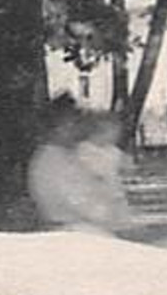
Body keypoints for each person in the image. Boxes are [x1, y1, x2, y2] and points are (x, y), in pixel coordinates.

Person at [28, 98, 133, 235]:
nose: (81, 129)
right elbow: (79, 202)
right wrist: (112, 215)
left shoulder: (73, 155)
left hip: (93, 226)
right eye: (74, 123)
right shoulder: (51, 162)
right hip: (76, 231)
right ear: (60, 127)